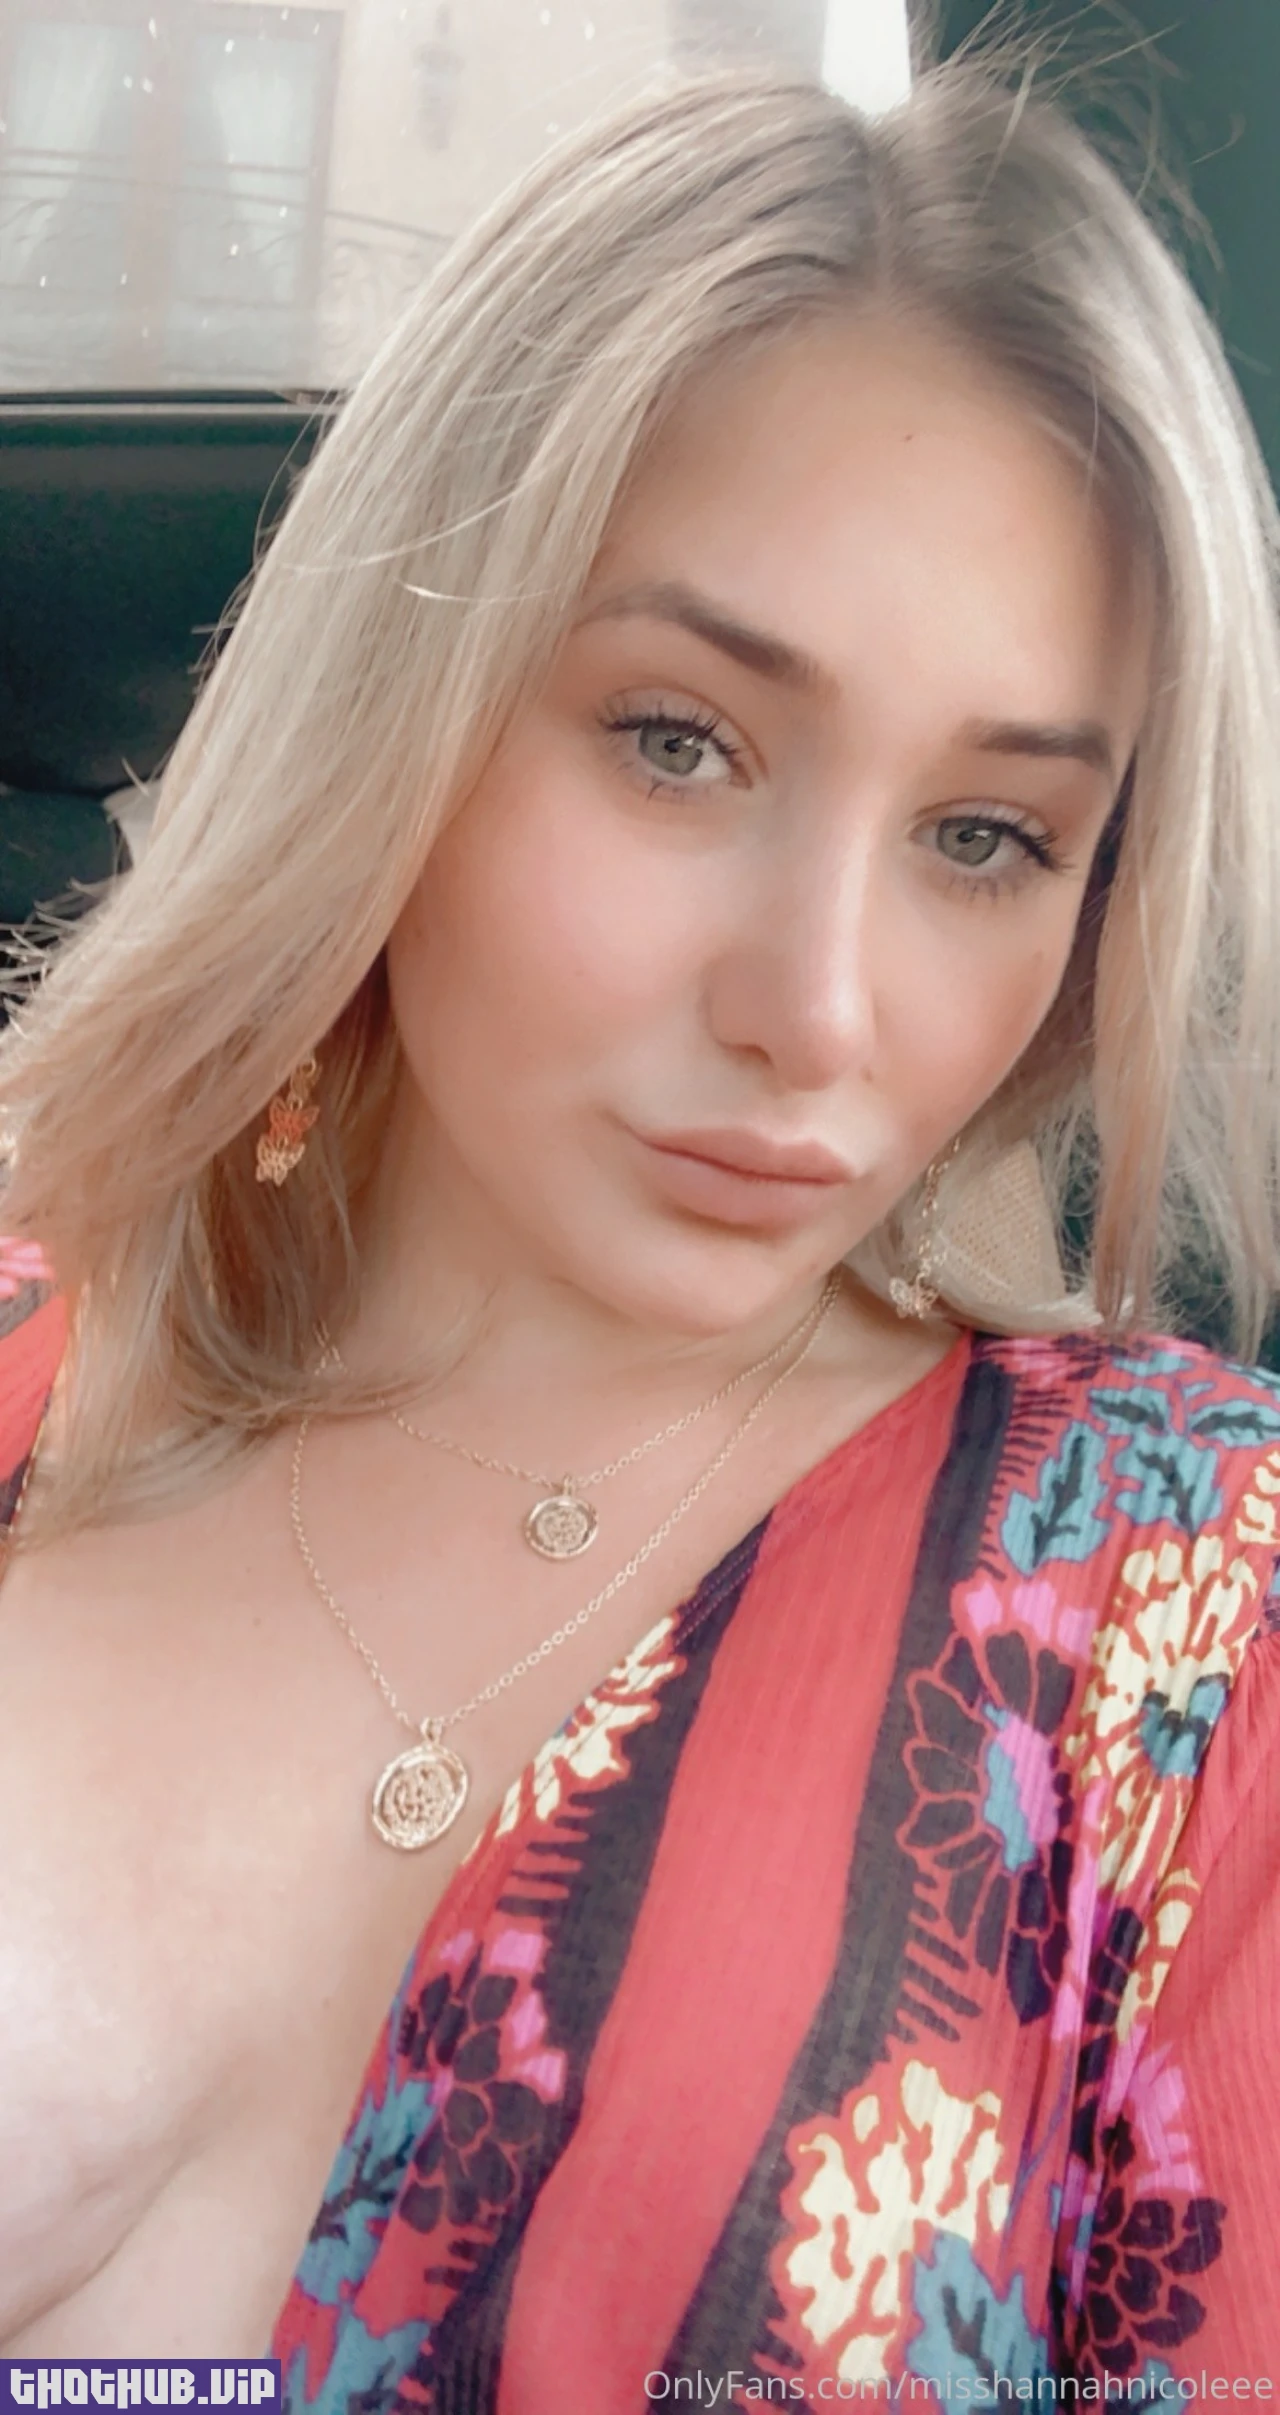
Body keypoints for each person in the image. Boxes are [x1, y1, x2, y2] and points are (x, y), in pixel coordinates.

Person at [1, 27, 1279, 2402]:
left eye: (984, 836)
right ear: (398, 701)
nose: (817, 1009)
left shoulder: (1183, 1606)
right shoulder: (26, 1340)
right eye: (677, 740)